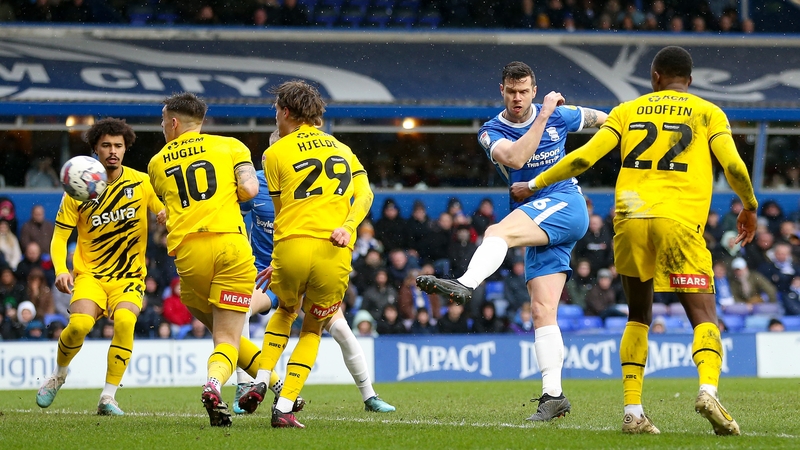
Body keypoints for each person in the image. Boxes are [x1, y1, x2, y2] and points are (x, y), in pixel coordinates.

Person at [516, 46, 757, 435]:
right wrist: (749, 205)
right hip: (678, 222)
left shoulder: (628, 110)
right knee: (703, 316)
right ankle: (708, 390)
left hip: (629, 220)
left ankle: (633, 410)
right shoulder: (708, 112)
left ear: (655, 77)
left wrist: (535, 183)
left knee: (638, 316)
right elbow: (732, 165)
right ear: (689, 81)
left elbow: (583, 158)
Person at [415, 61, 607, 421]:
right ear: (501, 91)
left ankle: (464, 284)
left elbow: (607, 121)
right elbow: (518, 156)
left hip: (565, 203)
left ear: (534, 90)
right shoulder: (491, 130)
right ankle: (554, 396)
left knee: (496, 232)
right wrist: (546, 114)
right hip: (538, 215)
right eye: (511, 91)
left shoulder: (561, 115)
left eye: (524, 91)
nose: (518, 98)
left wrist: (617, 130)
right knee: (541, 311)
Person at [235, 80, 376, 428]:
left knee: (284, 311)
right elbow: (366, 195)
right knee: (312, 328)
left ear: (285, 112)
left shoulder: (274, 154)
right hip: (334, 248)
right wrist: (349, 226)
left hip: (291, 247)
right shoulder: (343, 150)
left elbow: (282, 210)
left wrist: (281, 254)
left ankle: (262, 377)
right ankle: (283, 407)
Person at [36, 118, 165, 416]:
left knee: (124, 322)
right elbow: (59, 237)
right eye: (106, 145)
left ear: (126, 148)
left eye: (118, 145)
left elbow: (163, 209)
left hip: (129, 276)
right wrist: (60, 269)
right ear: (95, 148)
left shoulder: (141, 182)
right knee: (79, 325)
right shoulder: (77, 190)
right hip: (91, 275)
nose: (112, 151)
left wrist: (164, 216)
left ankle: (108, 397)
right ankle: (59, 375)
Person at [149, 92, 259, 427]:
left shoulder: (156, 163)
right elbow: (250, 190)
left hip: (189, 254)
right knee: (227, 336)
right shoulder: (231, 146)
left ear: (173, 123)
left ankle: (278, 382)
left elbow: (171, 208)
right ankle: (215, 382)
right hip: (230, 245)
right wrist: (232, 193)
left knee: (217, 323)